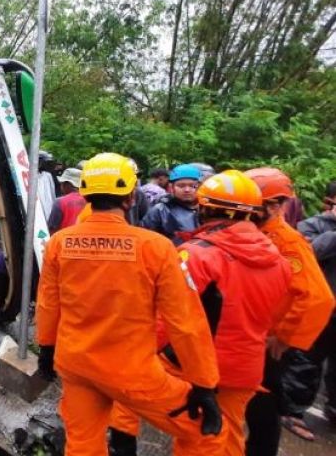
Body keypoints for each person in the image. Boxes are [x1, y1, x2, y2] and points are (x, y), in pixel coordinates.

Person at [36, 152, 223, 456]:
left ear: (85, 193)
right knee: (207, 430)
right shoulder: (156, 248)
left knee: (82, 445)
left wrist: (46, 348)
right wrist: (203, 383)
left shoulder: (60, 243)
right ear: (131, 196)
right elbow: (184, 321)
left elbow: (47, 303)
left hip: (76, 365)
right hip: (132, 373)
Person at [111, 170, 296, 456]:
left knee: (190, 433)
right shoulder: (278, 259)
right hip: (246, 368)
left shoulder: (195, 255)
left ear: (206, 208)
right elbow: (275, 314)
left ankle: (121, 445)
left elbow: (166, 319)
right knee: (228, 434)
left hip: (195, 368)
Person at [243, 168, 334, 453]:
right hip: (246, 333)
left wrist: (283, 337)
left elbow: (317, 297)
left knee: (263, 405)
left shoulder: (288, 242)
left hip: (268, 341)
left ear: (274, 205)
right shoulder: (251, 233)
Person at [288, 181, 336, 429]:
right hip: (320, 306)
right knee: (306, 361)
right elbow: (308, 255)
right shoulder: (312, 225)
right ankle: (292, 412)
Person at [141, 164, 201, 244]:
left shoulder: (207, 209)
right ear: (171, 187)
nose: (187, 190)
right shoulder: (160, 210)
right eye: (181, 186)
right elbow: (145, 239)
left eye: (193, 186)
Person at [46, 167, 85, 234]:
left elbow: (51, 229)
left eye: (62, 183)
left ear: (68, 184)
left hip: (64, 242)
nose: (61, 186)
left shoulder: (60, 202)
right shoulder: (90, 201)